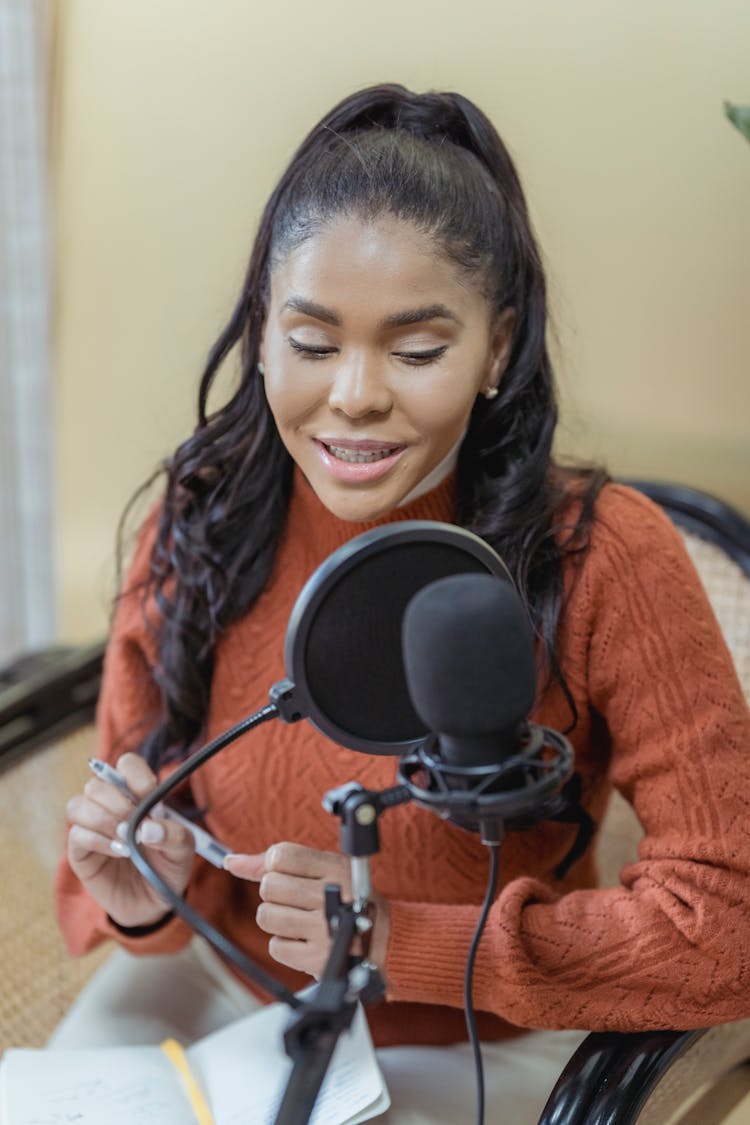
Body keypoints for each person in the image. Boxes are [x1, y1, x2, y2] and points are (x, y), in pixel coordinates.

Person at [54, 83, 750, 1123]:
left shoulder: (604, 558)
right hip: (210, 1004)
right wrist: (149, 897)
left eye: (417, 350)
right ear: (261, 333)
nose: (354, 396)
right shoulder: (198, 528)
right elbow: (148, 853)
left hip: (478, 1035)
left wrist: (405, 942)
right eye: (313, 342)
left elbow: (727, 920)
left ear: (498, 349)